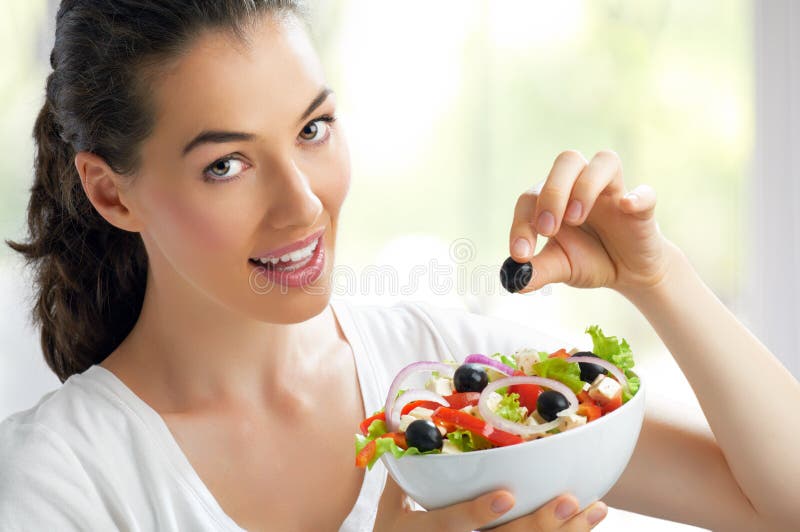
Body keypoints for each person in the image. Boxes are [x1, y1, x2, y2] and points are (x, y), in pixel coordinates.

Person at [0, 1, 797, 531]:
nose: (304, 207)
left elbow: (779, 501)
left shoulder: (447, 379)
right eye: (226, 165)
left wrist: (657, 279)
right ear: (111, 193)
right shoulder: (64, 479)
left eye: (313, 129)